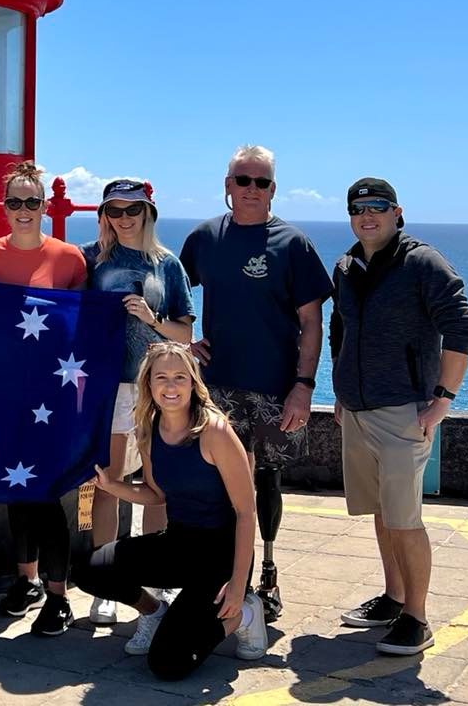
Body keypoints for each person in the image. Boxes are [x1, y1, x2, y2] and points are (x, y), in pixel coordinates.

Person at [179, 145, 333, 622]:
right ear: (227, 185)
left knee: (265, 480)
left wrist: (304, 385)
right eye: (242, 180)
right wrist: (184, 345)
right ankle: (222, 575)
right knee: (218, 482)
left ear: (273, 189)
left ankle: (266, 572)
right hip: (216, 387)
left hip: (274, 388)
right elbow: (172, 296)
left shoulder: (293, 244)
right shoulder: (204, 239)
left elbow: (312, 322)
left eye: (261, 182)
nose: (251, 189)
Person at [330, 178, 468, 655]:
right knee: (380, 513)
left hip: (403, 411)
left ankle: (417, 617)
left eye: (377, 207)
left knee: (405, 520)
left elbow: (461, 328)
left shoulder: (422, 262)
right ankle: (393, 598)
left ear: (397, 213)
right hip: (357, 408)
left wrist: (443, 400)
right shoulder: (347, 265)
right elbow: (340, 329)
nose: (366, 215)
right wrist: (339, 390)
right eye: (358, 208)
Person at [73, 342, 268, 680]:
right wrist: (112, 485)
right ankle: (154, 610)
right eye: (161, 377)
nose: (171, 386)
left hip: (221, 555)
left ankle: (244, 615)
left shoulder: (215, 432)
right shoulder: (148, 431)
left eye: (180, 377)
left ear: (194, 383)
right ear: (148, 384)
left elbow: (246, 513)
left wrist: (237, 585)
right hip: (179, 543)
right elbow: (158, 495)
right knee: (90, 569)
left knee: (168, 663)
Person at [80, 178, 195, 632]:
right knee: (109, 483)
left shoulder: (166, 264)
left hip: (155, 387)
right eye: (115, 210)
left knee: (157, 485)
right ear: (104, 215)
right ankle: (109, 583)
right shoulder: (91, 258)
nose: (124, 217)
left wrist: (152, 319)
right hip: (110, 387)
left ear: (148, 212)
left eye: (133, 209)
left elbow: (185, 334)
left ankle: (157, 577)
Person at [0, 161, 87, 636]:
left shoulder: (69, 259)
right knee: (15, 488)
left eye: (32, 201)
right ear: (4, 208)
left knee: (44, 492)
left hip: (52, 394)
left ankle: (59, 595)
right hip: (4, 388)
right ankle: (25, 580)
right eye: (15, 202)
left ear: (45, 206)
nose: (24, 210)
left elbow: (86, 331)